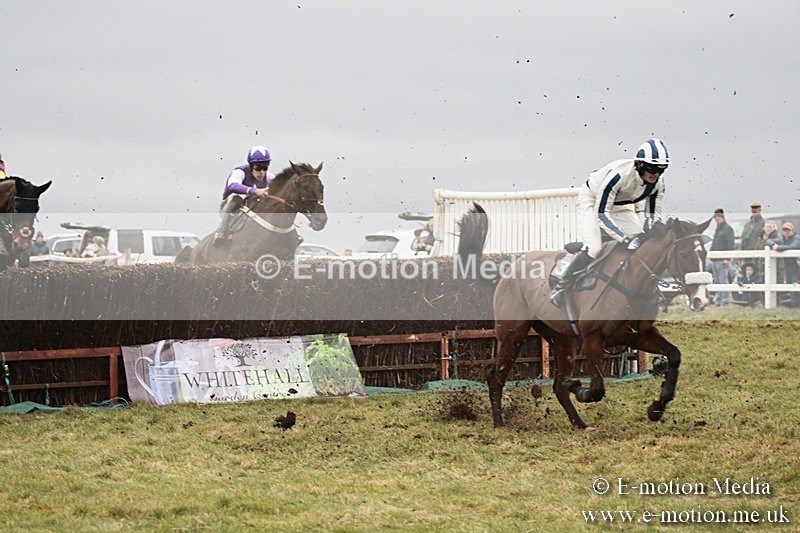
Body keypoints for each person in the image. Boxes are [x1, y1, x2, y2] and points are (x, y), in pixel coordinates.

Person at [550, 138, 669, 307]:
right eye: (652, 168)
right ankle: (561, 286)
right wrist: (624, 239)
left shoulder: (658, 184)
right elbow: (602, 214)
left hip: (621, 205)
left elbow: (652, 217)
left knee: (640, 244)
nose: (656, 174)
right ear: (639, 165)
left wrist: (653, 231)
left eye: (661, 169)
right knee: (594, 248)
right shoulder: (618, 176)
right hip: (592, 200)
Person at [214, 145, 275, 245]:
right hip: (230, 205)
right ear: (250, 166)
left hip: (251, 204)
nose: (262, 172)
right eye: (258, 168)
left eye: (265, 168)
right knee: (236, 197)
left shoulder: (268, 176)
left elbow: (281, 185)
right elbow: (232, 185)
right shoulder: (239, 172)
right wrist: (255, 191)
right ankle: (222, 229)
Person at [766, 222, 800, 307]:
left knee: (796, 287)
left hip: (797, 267)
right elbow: (768, 241)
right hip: (789, 268)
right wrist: (773, 244)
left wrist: (778, 248)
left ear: (792, 230)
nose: (786, 232)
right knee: (791, 287)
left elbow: (793, 246)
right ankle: (795, 307)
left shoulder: (797, 238)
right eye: (784, 230)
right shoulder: (783, 240)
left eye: (788, 230)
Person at [709, 208, 735, 307]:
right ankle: (718, 300)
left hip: (722, 260)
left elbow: (730, 244)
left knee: (723, 280)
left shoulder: (727, 229)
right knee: (717, 281)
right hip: (715, 259)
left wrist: (727, 259)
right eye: (715, 217)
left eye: (718, 217)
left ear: (723, 217)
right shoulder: (718, 229)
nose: (717, 219)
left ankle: (724, 301)